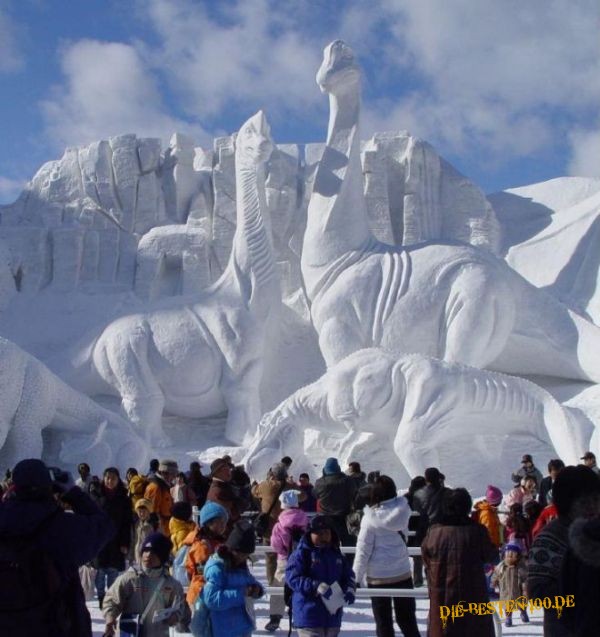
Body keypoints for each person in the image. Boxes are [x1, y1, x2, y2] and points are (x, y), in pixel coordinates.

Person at [0, 458, 114, 636]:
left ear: (13, 487)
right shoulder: (62, 528)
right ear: (50, 487)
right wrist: (74, 493)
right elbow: (104, 526)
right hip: (55, 625)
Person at [528, 465, 600, 637]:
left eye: (596, 500)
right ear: (566, 503)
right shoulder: (549, 538)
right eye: (583, 502)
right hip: (565, 630)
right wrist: (579, 587)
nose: (592, 507)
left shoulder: (597, 531)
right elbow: (537, 592)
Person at [421, 487, 497, 637]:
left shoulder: (434, 532)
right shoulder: (477, 531)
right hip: (473, 596)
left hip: (442, 599)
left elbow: (426, 559)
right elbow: (491, 556)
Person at [353, 475, 421, 637]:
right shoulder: (404, 510)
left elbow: (363, 551)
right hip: (402, 572)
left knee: (383, 622)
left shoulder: (370, 519)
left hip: (378, 577)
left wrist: (355, 578)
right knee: (407, 620)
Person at [102, 532, 191, 637]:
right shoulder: (130, 579)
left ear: (162, 557)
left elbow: (181, 607)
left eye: (154, 552)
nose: (148, 555)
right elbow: (112, 600)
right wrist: (110, 619)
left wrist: (176, 616)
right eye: (146, 550)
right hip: (132, 633)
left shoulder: (172, 584)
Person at [286, 514, 357, 637]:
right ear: (309, 534)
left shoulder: (336, 555)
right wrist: (315, 586)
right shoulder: (301, 554)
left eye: (326, 532)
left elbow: (348, 575)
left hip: (332, 617)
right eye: (318, 533)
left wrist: (350, 588)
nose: (323, 536)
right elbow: (293, 578)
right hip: (308, 615)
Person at [202, 519, 265, 637]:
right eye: (241, 554)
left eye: (246, 555)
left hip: (243, 628)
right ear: (232, 549)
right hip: (224, 630)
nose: (243, 558)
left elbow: (251, 582)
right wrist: (241, 593)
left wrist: (257, 590)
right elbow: (211, 600)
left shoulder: (241, 566)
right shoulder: (217, 568)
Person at [252, 462, 292, 632]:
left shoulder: (266, 485)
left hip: (270, 533)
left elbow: (254, 492)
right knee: (289, 565)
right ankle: (289, 599)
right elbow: (304, 495)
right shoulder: (290, 486)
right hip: (287, 533)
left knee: (271, 562)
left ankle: (272, 586)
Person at [90, 467, 132, 609]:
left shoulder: (124, 499)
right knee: (100, 571)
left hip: (116, 539)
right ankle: (101, 596)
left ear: (118, 480)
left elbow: (127, 523)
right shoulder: (96, 496)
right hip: (99, 539)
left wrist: (125, 542)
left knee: (113, 571)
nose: (110, 481)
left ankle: (111, 597)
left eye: (113, 478)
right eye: (107, 478)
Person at [184, 501, 228, 610]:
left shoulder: (215, 541)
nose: (224, 526)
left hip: (211, 592)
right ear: (208, 523)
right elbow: (202, 575)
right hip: (201, 596)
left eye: (224, 522)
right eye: (220, 522)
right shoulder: (202, 546)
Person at [313, 457, 358, 548]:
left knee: (328, 544)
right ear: (338, 468)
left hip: (326, 518)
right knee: (348, 544)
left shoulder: (319, 483)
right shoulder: (348, 480)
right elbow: (354, 493)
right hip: (345, 518)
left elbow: (315, 495)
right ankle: (349, 560)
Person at [491, 543, 528, 627]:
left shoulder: (520, 567)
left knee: (521, 603)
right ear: (504, 555)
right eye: (508, 555)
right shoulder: (501, 567)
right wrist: (493, 582)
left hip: (518, 591)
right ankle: (508, 618)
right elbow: (495, 575)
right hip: (505, 591)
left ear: (518, 556)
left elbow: (525, 577)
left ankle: (523, 612)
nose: (510, 557)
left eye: (513, 555)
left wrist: (525, 586)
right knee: (507, 605)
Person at [206, 457, 245, 529]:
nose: (229, 472)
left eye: (229, 469)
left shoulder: (221, 487)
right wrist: (241, 503)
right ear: (217, 472)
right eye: (226, 470)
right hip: (226, 532)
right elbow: (231, 514)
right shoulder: (219, 490)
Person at [144, 459, 178, 536]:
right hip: (159, 531)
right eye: (173, 474)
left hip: (165, 529)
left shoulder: (164, 486)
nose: (174, 477)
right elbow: (152, 513)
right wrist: (157, 533)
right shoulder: (156, 488)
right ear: (164, 473)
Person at [404, 475, 426, 588]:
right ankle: (427, 579)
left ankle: (417, 580)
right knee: (425, 556)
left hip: (409, 529)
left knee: (417, 557)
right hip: (423, 529)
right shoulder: (425, 497)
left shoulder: (406, 497)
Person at [132, 498, 157, 565]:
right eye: (139, 511)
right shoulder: (136, 524)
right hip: (137, 554)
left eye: (144, 511)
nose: (142, 514)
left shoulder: (154, 524)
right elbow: (134, 540)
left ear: (149, 511)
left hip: (149, 556)